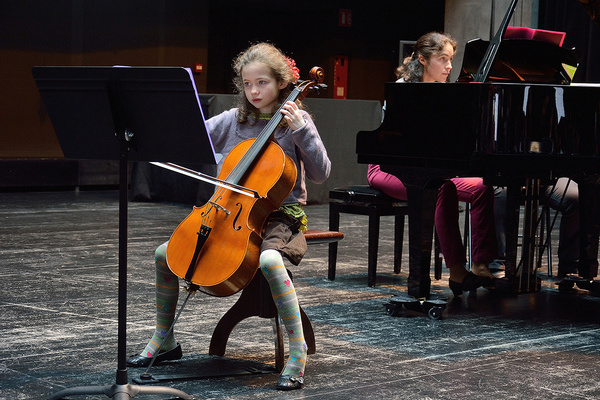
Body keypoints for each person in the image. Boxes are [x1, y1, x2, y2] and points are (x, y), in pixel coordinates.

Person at [126, 42, 331, 391]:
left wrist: (301, 131)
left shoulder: (296, 122)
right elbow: (190, 139)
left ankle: (297, 352)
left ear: (281, 82)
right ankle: (165, 339)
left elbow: (321, 173)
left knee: (268, 258)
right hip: (227, 212)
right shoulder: (234, 120)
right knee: (165, 253)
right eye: (247, 84)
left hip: (282, 216)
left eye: (262, 83)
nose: (254, 91)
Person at [368, 32, 498, 296]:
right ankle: (457, 272)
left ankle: (482, 264)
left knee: (483, 187)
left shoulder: (446, 92)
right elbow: (398, 143)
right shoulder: (403, 88)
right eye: (443, 59)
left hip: (432, 166)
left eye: (450, 59)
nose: (450, 66)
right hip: (388, 167)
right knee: (440, 189)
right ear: (423, 60)